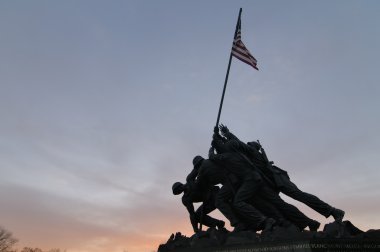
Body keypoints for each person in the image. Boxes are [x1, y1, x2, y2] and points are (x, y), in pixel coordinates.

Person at [219, 124, 345, 224]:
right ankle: (303, 221)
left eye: (249, 143)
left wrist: (226, 135)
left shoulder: (252, 151)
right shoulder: (251, 153)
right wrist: (227, 134)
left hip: (278, 178)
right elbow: (238, 144)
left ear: (253, 146)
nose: (247, 144)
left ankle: (333, 211)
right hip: (271, 180)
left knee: (299, 195)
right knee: (283, 202)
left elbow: (238, 144)